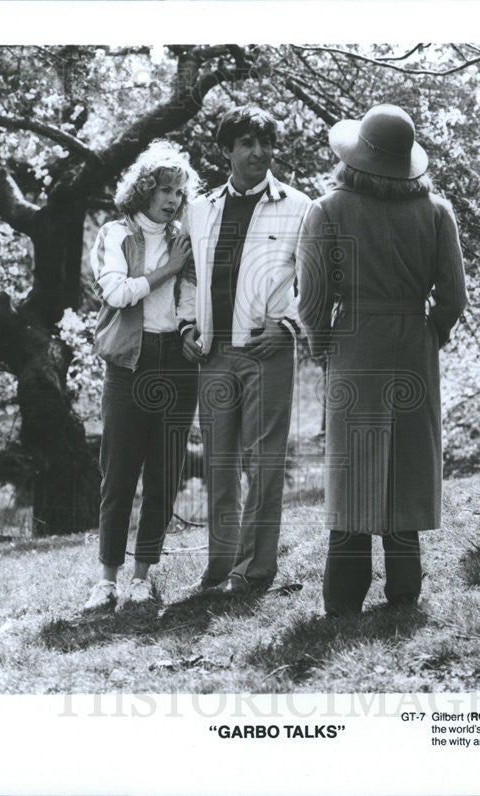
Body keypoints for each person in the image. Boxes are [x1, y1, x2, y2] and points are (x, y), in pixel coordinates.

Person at [296, 104, 467, 616]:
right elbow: (453, 296)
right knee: (407, 464)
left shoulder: (326, 210)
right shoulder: (437, 212)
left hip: (353, 343)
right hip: (413, 344)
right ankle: (404, 592)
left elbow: (310, 299)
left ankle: (344, 599)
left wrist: (321, 345)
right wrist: (429, 333)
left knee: (354, 467)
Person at [177, 106, 312, 595]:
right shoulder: (198, 208)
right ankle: (219, 568)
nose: (259, 152)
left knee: (263, 463)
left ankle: (254, 573)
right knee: (219, 464)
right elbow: (189, 276)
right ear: (227, 151)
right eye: (247, 143)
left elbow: (318, 281)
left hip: (266, 352)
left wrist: (290, 326)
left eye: (266, 143)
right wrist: (186, 325)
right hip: (212, 354)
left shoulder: (300, 206)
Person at [83, 140, 200, 611]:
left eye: (179, 191)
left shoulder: (181, 240)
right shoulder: (116, 235)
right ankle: (107, 579)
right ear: (144, 190)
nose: (172, 199)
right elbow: (116, 292)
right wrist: (165, 270)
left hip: (176, 361)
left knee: (165, 472)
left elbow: (189, 291)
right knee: (119, 472)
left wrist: (190, 327)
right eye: (164, 189)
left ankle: (141, 577)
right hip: (129, 362)